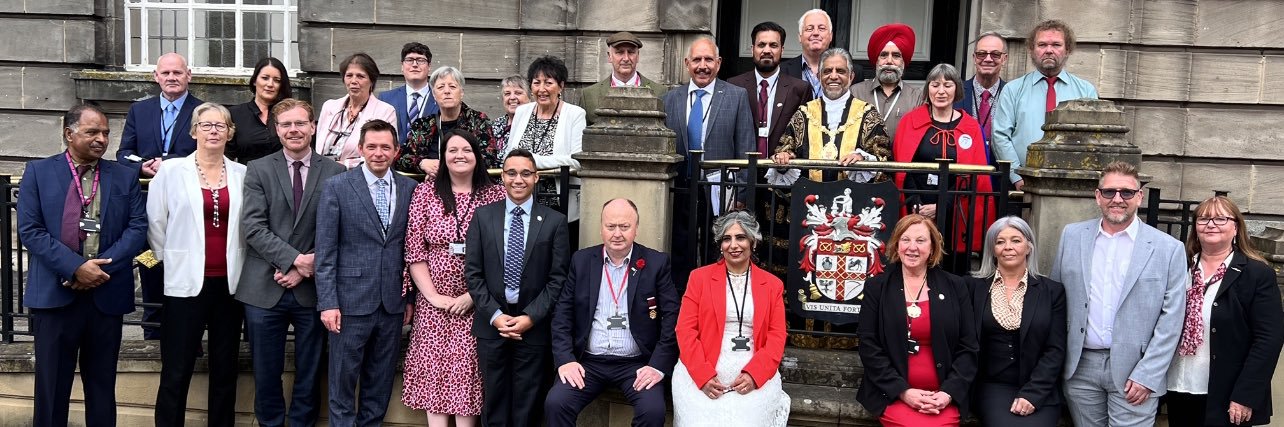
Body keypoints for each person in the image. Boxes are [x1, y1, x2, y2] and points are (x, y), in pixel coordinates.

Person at [19, 104, 148, 427]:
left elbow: (137, 228)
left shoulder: (124, 175)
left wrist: (100, 268)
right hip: (55, 296)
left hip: (106, 296)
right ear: (68, 134)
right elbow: (30, 231)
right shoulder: (39, 172)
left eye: (105, 132)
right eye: (92, 132)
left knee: (102, 388)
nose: (101, 139)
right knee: (51, 389)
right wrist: (75, 267)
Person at [1050, 161, 1187, 427]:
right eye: (1110, 191)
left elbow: (1172, 320)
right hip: (1080, 367)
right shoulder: (1072, 236)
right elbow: (1055, 300)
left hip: (1136, 371)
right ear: (1097, 195)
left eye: (1126, 192)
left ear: (1139, 197)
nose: (1117, 199)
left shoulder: (1168, 248)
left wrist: (1148, 374)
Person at [235, 98, 345, 427]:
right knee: (266, 371)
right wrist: (296, 261)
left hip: (314, 290)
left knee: (310, 371)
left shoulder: (336, 172)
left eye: (300, 123)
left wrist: (309, 267)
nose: (293, 130)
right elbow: (252, 227)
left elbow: (339, 230)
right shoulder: (258, 169)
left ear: (313, 127)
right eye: (286, 125)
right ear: (277, 129)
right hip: (263, 287)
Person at [148, 102, 248, 427]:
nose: (214, 131)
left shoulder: (242, 174)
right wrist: (171, 262)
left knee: (224, 371)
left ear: (230, 132)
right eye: (206, 125)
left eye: (221, 126)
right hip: (184, 285)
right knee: (176, 370)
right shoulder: (171, 171)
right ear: (194, 131)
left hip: (230, 286)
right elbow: (155, 224)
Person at [400, 129, 506, 427]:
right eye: (452, 150)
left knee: (466, 375)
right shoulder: (426, 191)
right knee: (433, 373)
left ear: (477, 156)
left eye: (466, 150)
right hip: (434, 304)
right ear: (443, 157)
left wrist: (473, 296)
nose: (459, 155)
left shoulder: (495, 195)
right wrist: (434, 297)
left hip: (477, 304)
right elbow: (414, 250)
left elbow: (501, 253)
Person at [315, 119, 417, 425]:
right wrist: (328, 303)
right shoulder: (337, 187)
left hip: (391, 305)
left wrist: (409, 298)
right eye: (371, 146)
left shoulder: (410, 188)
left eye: (386, 147)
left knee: (380, 383)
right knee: (342, 384)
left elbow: (411, 250)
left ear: (396, 151)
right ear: (360, 149)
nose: (378, 153)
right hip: (349, 303)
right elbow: (326, 251)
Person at [545, 198, 680, 427]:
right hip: (589, 362)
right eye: (611, 226)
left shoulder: (656, 263)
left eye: (624, 226)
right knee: (556, 403)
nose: (617, 233)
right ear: (601, 228)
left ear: (636, 229)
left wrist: (657, 365)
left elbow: (672, 318)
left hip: (635, 363)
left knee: (653, 411)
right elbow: (562, 314)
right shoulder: (582, 261)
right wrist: (565, 360)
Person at [465, 148, 570, 427]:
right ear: (503, 177)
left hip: (533, 327)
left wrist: (530, 317)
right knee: (494, 403)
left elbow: (557, 279)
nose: (518, 179)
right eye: (511, 173)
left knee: (528, 405)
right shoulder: (483, 217)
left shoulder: (554, 221)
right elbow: (473, 275)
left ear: (536, 177)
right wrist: (496, 316)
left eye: (525, 173)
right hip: (491, 325)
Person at [1165, 196, 1284, 427]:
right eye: (1204, 219)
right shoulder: (1180, 266)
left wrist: (1245, 395)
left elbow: (1268, 340)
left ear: (1236, 227)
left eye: (1221, 218)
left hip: (1228, 394)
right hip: (1177, 385)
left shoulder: (1256, 274)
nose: (1211, 224)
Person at [856, 214, 978, 427]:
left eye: (920, 241)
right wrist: (903, 391)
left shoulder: (956, 287)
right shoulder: (877, 287)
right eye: (905, 239)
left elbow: (969, 347)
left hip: (942, 398)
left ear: (932, 247)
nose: (912, 247)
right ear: (896, 245)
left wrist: (948, 393)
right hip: (892, 394)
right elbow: (868, 345)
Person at [671, 211, 790, 426]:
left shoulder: (772, 285)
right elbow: (685, 330)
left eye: (740, 237)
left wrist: (755, 375)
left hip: (753, 375)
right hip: (703, 372)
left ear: (752, 241)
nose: (733, 245)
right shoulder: (699, 278)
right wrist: (703, 376)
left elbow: (777, 335)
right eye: (727, 239)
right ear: (720, 245)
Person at [117, 52, 204, 339]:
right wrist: (140, 164)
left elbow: (207, 153)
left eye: (177, 73)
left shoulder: (202, 111)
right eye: (165, 73)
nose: (171, 78)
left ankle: (186, 328)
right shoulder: (139, 111)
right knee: (149, 259)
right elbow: (122, 153)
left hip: (184, 206)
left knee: (181, 261)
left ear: (188, 75)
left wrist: (171, 164)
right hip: (145, 205)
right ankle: (153, 325)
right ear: (156, 77)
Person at [891, 63, 995, 274]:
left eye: (947, 85)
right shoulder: (910, 121)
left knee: (951, 268)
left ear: (956, 89)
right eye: (935, 85)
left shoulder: (970, 126)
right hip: (916, 206)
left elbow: (974, 173)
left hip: (956, 209)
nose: (941, 91)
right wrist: (917, 203)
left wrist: (942, 205)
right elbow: (903, 169)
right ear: (927, 88)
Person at [967, 217, 1066, 426]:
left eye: (1016, 240)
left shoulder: (1052, 292)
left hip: (1039, 388)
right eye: (1000, 241)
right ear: (992, 249)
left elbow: (1055, 349)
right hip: (992, 387)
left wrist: (1033, 394)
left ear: (1029, 246)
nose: (1008, 247)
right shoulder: (972, 288)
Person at [991, 20, 1098, 190]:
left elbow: (1093, 139)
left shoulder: (1086, 91)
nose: (1049, 50)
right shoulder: (1013, 90)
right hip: (1020, 186)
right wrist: (1017, 177)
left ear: (1067, 49)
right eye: (1042, 44)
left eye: (1056, 44)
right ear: (1031, 50)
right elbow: (1000, 136)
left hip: (1070, 186)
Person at [773, 47, 891, 182]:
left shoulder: (869, 115)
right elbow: (785, 151)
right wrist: (784, 156)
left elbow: (883, 159)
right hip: (809, 198)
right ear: (819, 77)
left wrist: (863, 159)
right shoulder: (803, 113)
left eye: (840, 71)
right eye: (827, 71)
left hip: (852, 199)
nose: (833, 76)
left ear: (851, 77)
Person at [504, 56, 585, 224]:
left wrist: (534, 161)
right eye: (536, 82)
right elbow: (509, 155)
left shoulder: (575, 114)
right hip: (521, 201)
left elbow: (577, 160)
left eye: (548, 83)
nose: (542, 89)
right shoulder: (522, 112)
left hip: (558, 203)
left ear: (561, 86)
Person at [662, 36, 755, 183]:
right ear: (687, 63)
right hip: (677, 192)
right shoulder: (669, 99)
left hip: (721, 192)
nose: (703, 66)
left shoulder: (737, 97)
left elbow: (746, 150)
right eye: (697, 60)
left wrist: (740, 194)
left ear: (718, 63)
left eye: (709, 60)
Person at [728, 21, 814, 157]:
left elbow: (805, 136)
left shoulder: (799, 89)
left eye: (773, 45)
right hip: (743, 169)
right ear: (752, 49)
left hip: (783, 171)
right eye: (761, 45)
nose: (767, 50)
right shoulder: (734, 86)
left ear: (782, 50)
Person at [396, 66, 499, 174]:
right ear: (434, 95)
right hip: (429, 187)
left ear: (462, 93)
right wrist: (422, 163)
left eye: (452, 86)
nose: (447, 91)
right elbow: (401, 159)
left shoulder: (479, 121)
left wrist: (445, 169)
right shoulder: (422, 125)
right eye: (440, 87)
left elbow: (489, 159)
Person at [316, 53, 398, 169]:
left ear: (371, 81)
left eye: (360, 76)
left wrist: (342, 166)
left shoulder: (385, 111)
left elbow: (385, 154)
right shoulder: (329, 107)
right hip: (323, 175)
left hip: (357, 178)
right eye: (349, 75)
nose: (353, 81)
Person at [851, 23, 924, 140]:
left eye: (896, 56)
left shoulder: (916, 97)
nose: (889, 61)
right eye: (883, 55)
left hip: (900, 158)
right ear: (876, 60)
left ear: (903, 62)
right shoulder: (855, 92)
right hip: (862, 158)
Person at [579, 32, 668, 125]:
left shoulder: (660, 93)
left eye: (631, 52)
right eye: (620, 52)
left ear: (638, 56)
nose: (626, 58)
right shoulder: (589, 96)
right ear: (609, 56)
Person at [779, 9, 861, 98]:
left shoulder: (855, 71)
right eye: (809, 29)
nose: (815, 33)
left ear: (831, 36)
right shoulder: (782, 71)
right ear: (800, 37)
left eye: (821, 28)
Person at [227, 57, 292, 163]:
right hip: (248, 176)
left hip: (284, 177)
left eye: (277, 80)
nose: (270, 84)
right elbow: (227, 156)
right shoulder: (235, 114)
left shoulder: (290, 114)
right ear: (254, 81)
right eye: (265, 78)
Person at [377, 42, 440, 146]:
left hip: (429, 160)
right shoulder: (386, 99)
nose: (415, 64)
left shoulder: (440, 99)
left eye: (421, 60)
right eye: (409, 60)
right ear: (402, 66)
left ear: (429, 67)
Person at [954, 32, 1008, 148]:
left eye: (995, 54)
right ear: (974, 58)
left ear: (1004, 59)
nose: (988, 59)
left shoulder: (1012, 94)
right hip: (964, 164)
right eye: (981, 54)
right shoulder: (955, 92)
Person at [491, 75, 529, 155]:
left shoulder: (536, 125)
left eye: (518, 93)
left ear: (529, 97)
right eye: (507, 94)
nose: (512, 97)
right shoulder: (495, 125)